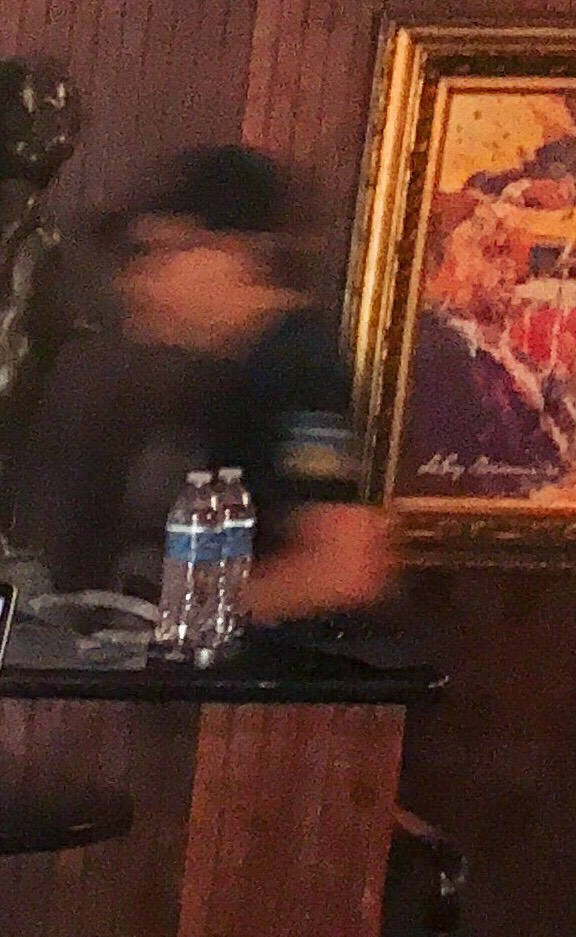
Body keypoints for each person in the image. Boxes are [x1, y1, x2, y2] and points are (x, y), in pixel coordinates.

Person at [110, 145, 393, 620]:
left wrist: (182, 617)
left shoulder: (297, 365)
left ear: (231, 252)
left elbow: (344, 569)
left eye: (157, 251)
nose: (133, 280)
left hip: (275, 665)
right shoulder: (221, 371)